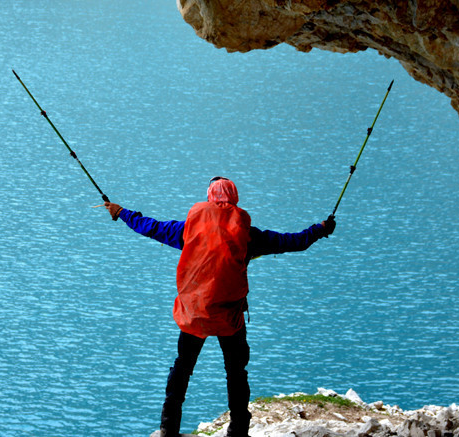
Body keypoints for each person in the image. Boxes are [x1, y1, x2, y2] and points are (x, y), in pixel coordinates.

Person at [105, 176, 336, 437]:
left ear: (209, 197)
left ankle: (168, 428)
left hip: (195, 314)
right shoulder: (247, 234)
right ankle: (238, 430)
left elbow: (150, 227)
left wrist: (122, 212)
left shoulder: (188, 228)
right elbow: (294, 242)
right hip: (229, 317)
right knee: (236, 372)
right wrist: (321, 229)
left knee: (182, 368)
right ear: (234, 198)